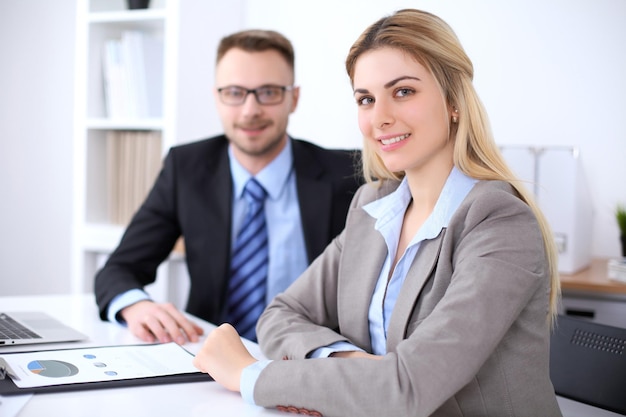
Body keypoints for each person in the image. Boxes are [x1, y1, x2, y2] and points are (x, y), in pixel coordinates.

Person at [192, 9, 563, 417]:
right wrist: (347, 365)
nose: (380, 117)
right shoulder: (372, 207)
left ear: (454, 100)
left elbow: (406, 389)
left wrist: (248, 375)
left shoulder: (499, 223)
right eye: (366, 99)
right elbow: (281, 315)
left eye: (403, 91)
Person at [94, 29, 361, 345]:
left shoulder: (349, 174)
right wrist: (136, 306)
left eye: (269, 92)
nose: (250, 110)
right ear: (217, 97)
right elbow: (119, 268)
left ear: (293, 98)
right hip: (207, 358)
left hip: (310, 363)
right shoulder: (187, 168)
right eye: (235, 92)